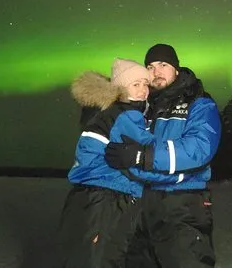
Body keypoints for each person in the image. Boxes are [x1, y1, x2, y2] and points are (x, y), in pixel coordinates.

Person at [58, 58, 187, 268]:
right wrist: (179, 172)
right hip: (108, 198)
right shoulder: (127, 116)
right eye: (135, 84)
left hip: (90, 198)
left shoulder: (105, 112)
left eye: (145, 84)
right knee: (104, 258)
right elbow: (150, 151)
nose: (143, 90)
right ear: (120, 88)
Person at [105, 43, 222, 268]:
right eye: (150, 67)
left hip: (182, 205)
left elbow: (199, 148)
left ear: (176, 69)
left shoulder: (198, 103)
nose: (156, 72)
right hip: (141, 207)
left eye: (163, 65)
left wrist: (143, 156)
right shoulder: (142, 107)